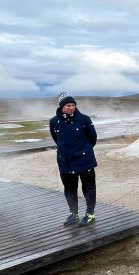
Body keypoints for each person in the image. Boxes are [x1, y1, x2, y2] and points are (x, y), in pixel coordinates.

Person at [49, 93, 98, 226]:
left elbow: (93, 138)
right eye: (68, 105)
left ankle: (90, 214)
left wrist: (83, 150)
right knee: (69, 189)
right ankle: (74, 214)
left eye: (73, 105)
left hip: (84, 160)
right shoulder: (54, 122)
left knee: (88, 188)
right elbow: (56, 139)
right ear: (62, 107)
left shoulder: (84, 119)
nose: (72, 108)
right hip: (65, 161)